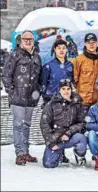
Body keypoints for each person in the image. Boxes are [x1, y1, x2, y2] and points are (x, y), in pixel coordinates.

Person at [2, 30, 42, 165]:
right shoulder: (14, 55)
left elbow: (39, 76)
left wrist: (38, 91)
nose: (28, 41)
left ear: (34, 41)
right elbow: (6, 75)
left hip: (31, 98)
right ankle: (19, 153)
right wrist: (11, 92)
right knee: (18, 125)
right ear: (20, 40)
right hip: (18, 97)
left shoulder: (36, 56)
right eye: (25, 39)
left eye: (30, 39)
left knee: (26, 125)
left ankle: (25, 152)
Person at [40, 79, 87, 168]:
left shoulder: (77, 103)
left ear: (71, 90)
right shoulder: (51, 104)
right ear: (59, 90)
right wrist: (51, 143)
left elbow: (81, 122)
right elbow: (44, 124)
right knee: (48, 164)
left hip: (71, 136)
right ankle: (59, 154)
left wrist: (68, 133)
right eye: (63, 89)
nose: (66, 91)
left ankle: (79, 155)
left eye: (68, 89)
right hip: (56, 139)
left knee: (81, 138)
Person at [73, 33, 98, 111]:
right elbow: (74, 80)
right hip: (83, 101)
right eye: (88, 42)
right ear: (85, 44)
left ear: (97, 43)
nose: (91, 45)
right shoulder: (79, 60)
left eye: (93, 42)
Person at [42, 39, 73, 105]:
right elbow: (43, 84)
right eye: (59, 48)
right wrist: (46, 99)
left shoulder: (70, 65)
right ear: (55, 50)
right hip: (52, 100)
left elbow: (72, 82)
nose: (61, 50)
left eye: (64, 48)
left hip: (66, 100)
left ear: (66, 50)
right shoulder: (48, 66)